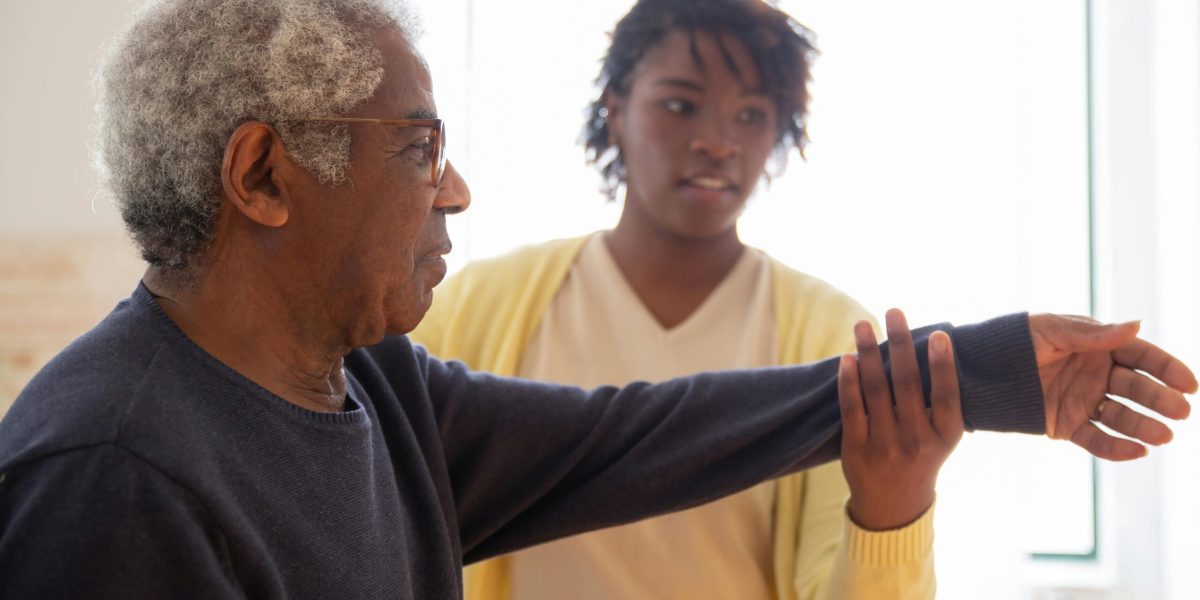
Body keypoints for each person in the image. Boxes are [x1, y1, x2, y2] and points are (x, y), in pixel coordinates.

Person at [0, 1, 1192, 599]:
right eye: (417, 146)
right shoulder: (111, 473)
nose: (456, 188)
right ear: (263, 175)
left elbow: (640, 436)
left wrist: (986, 374)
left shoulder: (374, 380)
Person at [408, 1, 1188, 599]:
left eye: (753, 115)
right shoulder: (478, 305)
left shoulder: (830, 333)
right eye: (681, 104)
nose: (719, 140)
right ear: (616, 106)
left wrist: (894, 504)